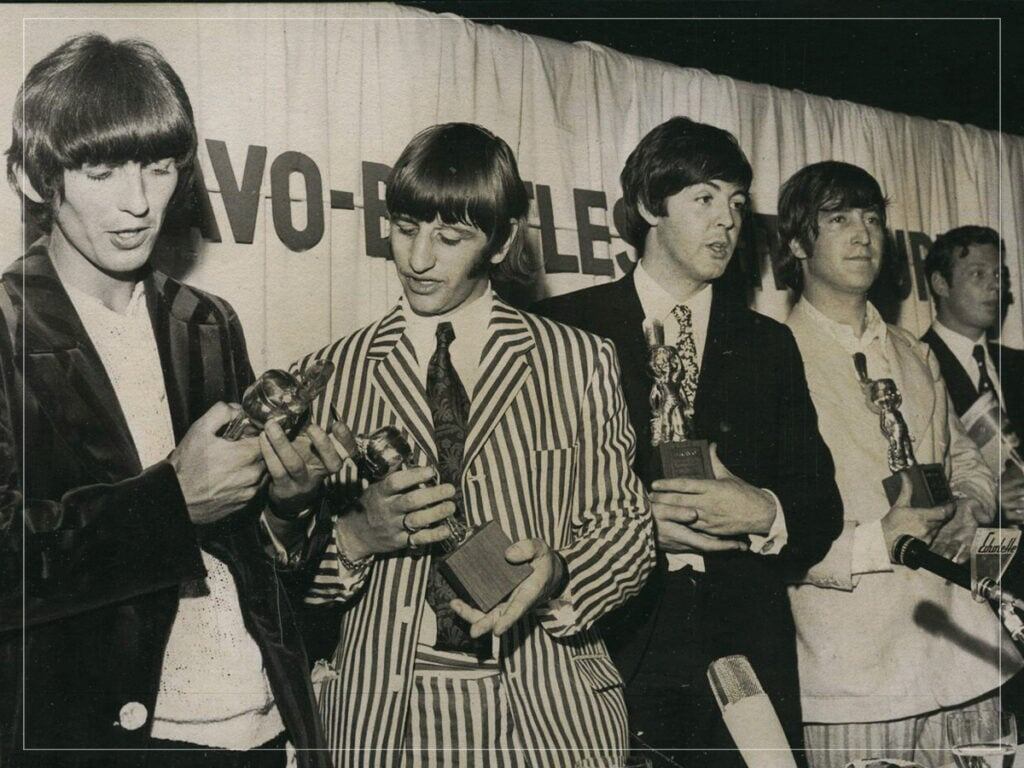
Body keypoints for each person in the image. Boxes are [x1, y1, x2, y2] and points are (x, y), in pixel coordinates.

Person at [274, 122, 655, 767]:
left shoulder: (578, 360)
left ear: (502, 241)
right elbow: (282, 586)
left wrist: (559, 572)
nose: (418, 260)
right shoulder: (329, 374)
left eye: (450, 238)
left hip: (550, 712)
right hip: (380, 717)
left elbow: (628, 531)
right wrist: (356, 538)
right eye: (404, 229)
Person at [0, 34, 332, 767]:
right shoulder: (8, 328)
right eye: (101, 171)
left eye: (159, 167)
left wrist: (289, 507)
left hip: (262, 725)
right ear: (32, 178)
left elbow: (254, 561)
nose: (140, 202)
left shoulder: (206, 322)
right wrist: (170, 504)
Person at [534, 116, 843, 767]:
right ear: (650, 205)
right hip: (604, 652)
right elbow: (522, 502)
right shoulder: (562, 331)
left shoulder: (768, 344)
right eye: (705, 198)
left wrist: (762, 510)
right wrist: (632, 530)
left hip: (744, 662)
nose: (728, 220)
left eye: (737, 203)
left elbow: (821, 507)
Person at [775, 161, 1022, 768]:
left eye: (872, 219)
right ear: (798, 243)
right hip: (855, 675)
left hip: (964, 656)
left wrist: (969, 506)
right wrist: (875, 541)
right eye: (839, 220)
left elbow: (967, 460)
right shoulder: (772, 358)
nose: (863, 235)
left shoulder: (914, 352)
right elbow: (767, 527)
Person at [921, 226, 1024, 517]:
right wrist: (988, 501)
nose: (994, 286)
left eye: (998, 275)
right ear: (941, 284)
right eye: (978, 274)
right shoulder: (916, 363)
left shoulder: (1017, 364)